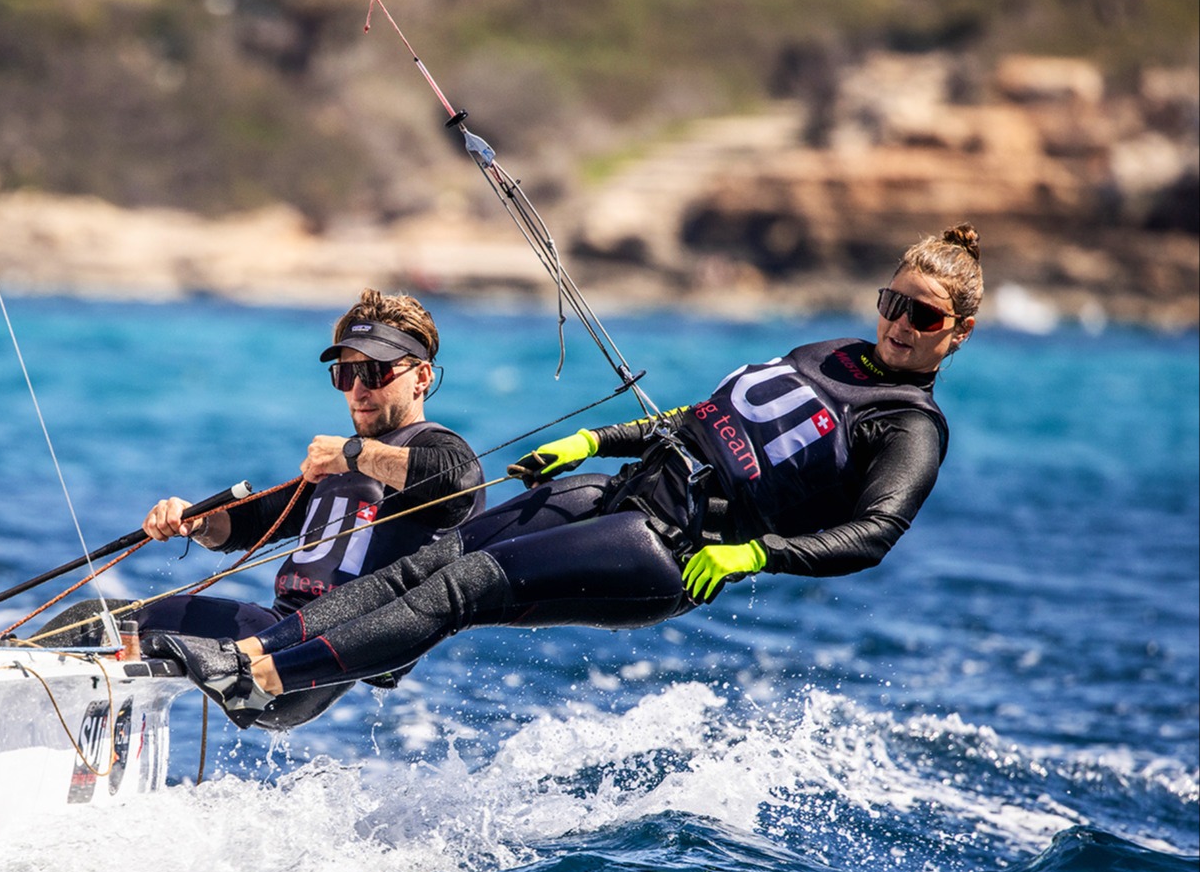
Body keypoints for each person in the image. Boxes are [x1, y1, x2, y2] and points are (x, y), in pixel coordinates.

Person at [147, 225, 982, 728]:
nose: (899, 323)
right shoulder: (826, 355)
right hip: (622, 490)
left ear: (959, 333)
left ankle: (260, 675)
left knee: (468, 584)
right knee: (428, 560)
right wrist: (594, 440)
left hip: (672, 544)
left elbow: (874, 536)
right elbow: (699, 420)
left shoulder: (908, 425)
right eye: (892, 300)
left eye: (923, 316)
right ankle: (261, 648)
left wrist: (753, 555)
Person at [48, 288, 485, 729]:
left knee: (101, 625)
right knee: (121, 634)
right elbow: (250, 524)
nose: (357, 390)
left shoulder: (432, 449)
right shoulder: (338, 467)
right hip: (277, 636)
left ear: (422, 376)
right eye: (345, 374)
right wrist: (196, 521)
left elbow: (458, 480)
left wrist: (352, 452)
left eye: (374, 372)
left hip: (311, 657)